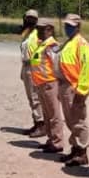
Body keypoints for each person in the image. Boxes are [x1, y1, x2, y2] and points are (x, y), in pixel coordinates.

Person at [57, 14, 89, 167]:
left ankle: (81, 152)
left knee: (78, 120)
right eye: (66, 25)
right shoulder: (68, 42)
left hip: (74, 86)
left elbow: (87, 66)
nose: (67, 28)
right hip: (65, 85)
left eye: (71, 26)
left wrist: (82, 90)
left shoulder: (81, 43)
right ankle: (75, 148)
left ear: (78, 27)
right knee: (70, 119)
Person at [30, 21, 64, 154]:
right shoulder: (41, 44)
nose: (38, 32)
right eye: (37, 29)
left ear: (49, 30)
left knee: (54, 114)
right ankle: (50, 140)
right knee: (47, 114)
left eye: (41, 29)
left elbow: (57, 63)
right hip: (41, 84)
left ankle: (57, 142)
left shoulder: (52, 45)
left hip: (50, 83)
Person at [19, 9, 45, 136]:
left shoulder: (38, 34)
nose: (29, 20)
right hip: (26, 66)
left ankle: (41, 124)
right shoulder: (26, 33)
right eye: (28, 17)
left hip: (34, 67)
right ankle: (36, 122)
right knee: (31, 98)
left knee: (36, 98)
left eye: (33, 18)